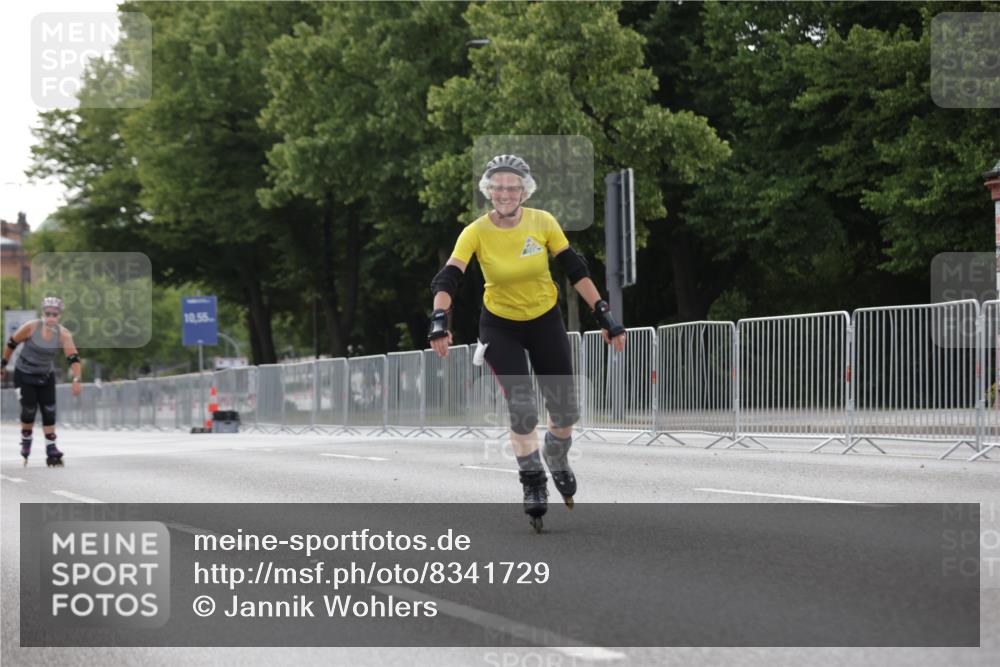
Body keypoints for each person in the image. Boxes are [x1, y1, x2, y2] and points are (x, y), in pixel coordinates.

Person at [428, 154, 626, 532]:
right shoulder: (475, 232)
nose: (504, 192)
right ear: (488, 191)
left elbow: (575, 269)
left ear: (524, 190)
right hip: (500, 326)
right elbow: (448, 278)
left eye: (512, 186)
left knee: (564, 411)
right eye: (497, 186)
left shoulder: (543, 222)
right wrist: (439, 320)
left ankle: (556, 454)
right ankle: (533, 482)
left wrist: (604, 314)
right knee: (522, 407)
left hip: (544, 320)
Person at [0, 297, 82, 466]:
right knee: (29, 409)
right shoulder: (31, 327)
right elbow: (11, 343)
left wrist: (76, 379)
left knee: (49, 411)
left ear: (59, 316)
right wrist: (3, 364)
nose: (51, 317)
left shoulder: (63, 334)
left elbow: (73, 358)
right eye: (48, 314)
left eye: (55, 314)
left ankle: (51, 448)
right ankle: (26, 438)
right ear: (42, 314)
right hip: (24, 374)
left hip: (45, 375)